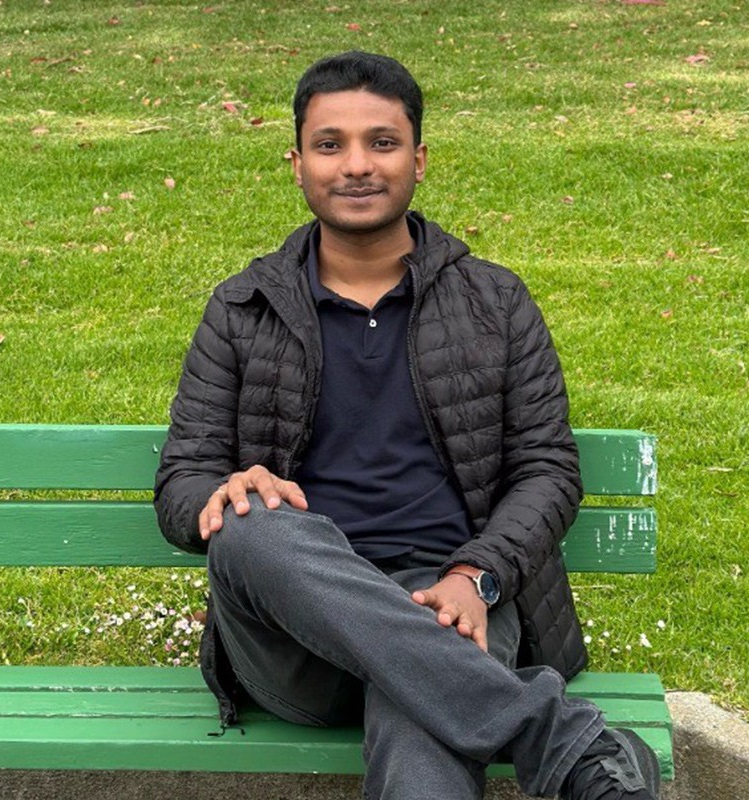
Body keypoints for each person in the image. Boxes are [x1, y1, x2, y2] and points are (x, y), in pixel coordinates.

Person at [155, 51, 660, 800]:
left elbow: (548, 470)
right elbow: (180, 483)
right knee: (251, 521)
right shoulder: (243, 308)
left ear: (419, 160)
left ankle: (508, 705)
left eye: (382, 143)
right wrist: (227, 488)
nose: (356, 165)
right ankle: (561, 740)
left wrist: (475, 577)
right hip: (295, 646)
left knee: (424, 738)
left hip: (448, 605)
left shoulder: (494, 300)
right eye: (331, 145)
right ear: (296, 164)